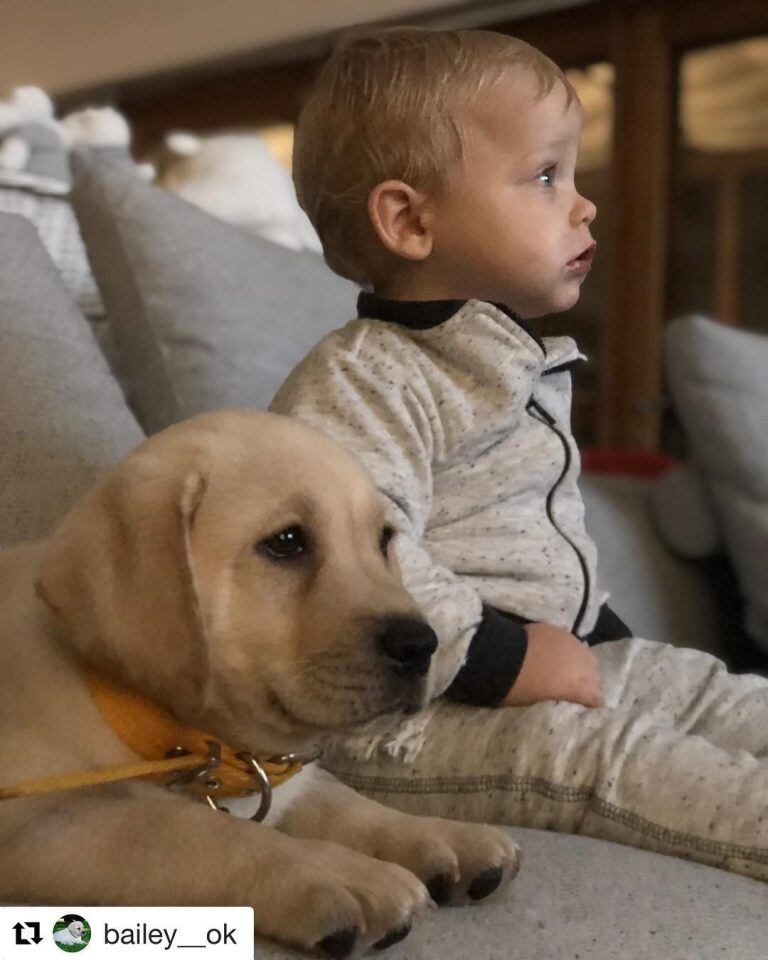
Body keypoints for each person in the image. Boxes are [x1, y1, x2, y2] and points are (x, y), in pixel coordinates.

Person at [270, 26, 768, 880]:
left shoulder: (503, 363)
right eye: (545, 176)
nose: (584, 204)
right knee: (633, 766)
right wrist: (506, 657)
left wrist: (598, 640)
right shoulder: (364, 378)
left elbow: (534, 552)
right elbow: (354, 557)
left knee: (723, 700)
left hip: (531, 663)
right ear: (410, 220)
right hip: (407, 719)